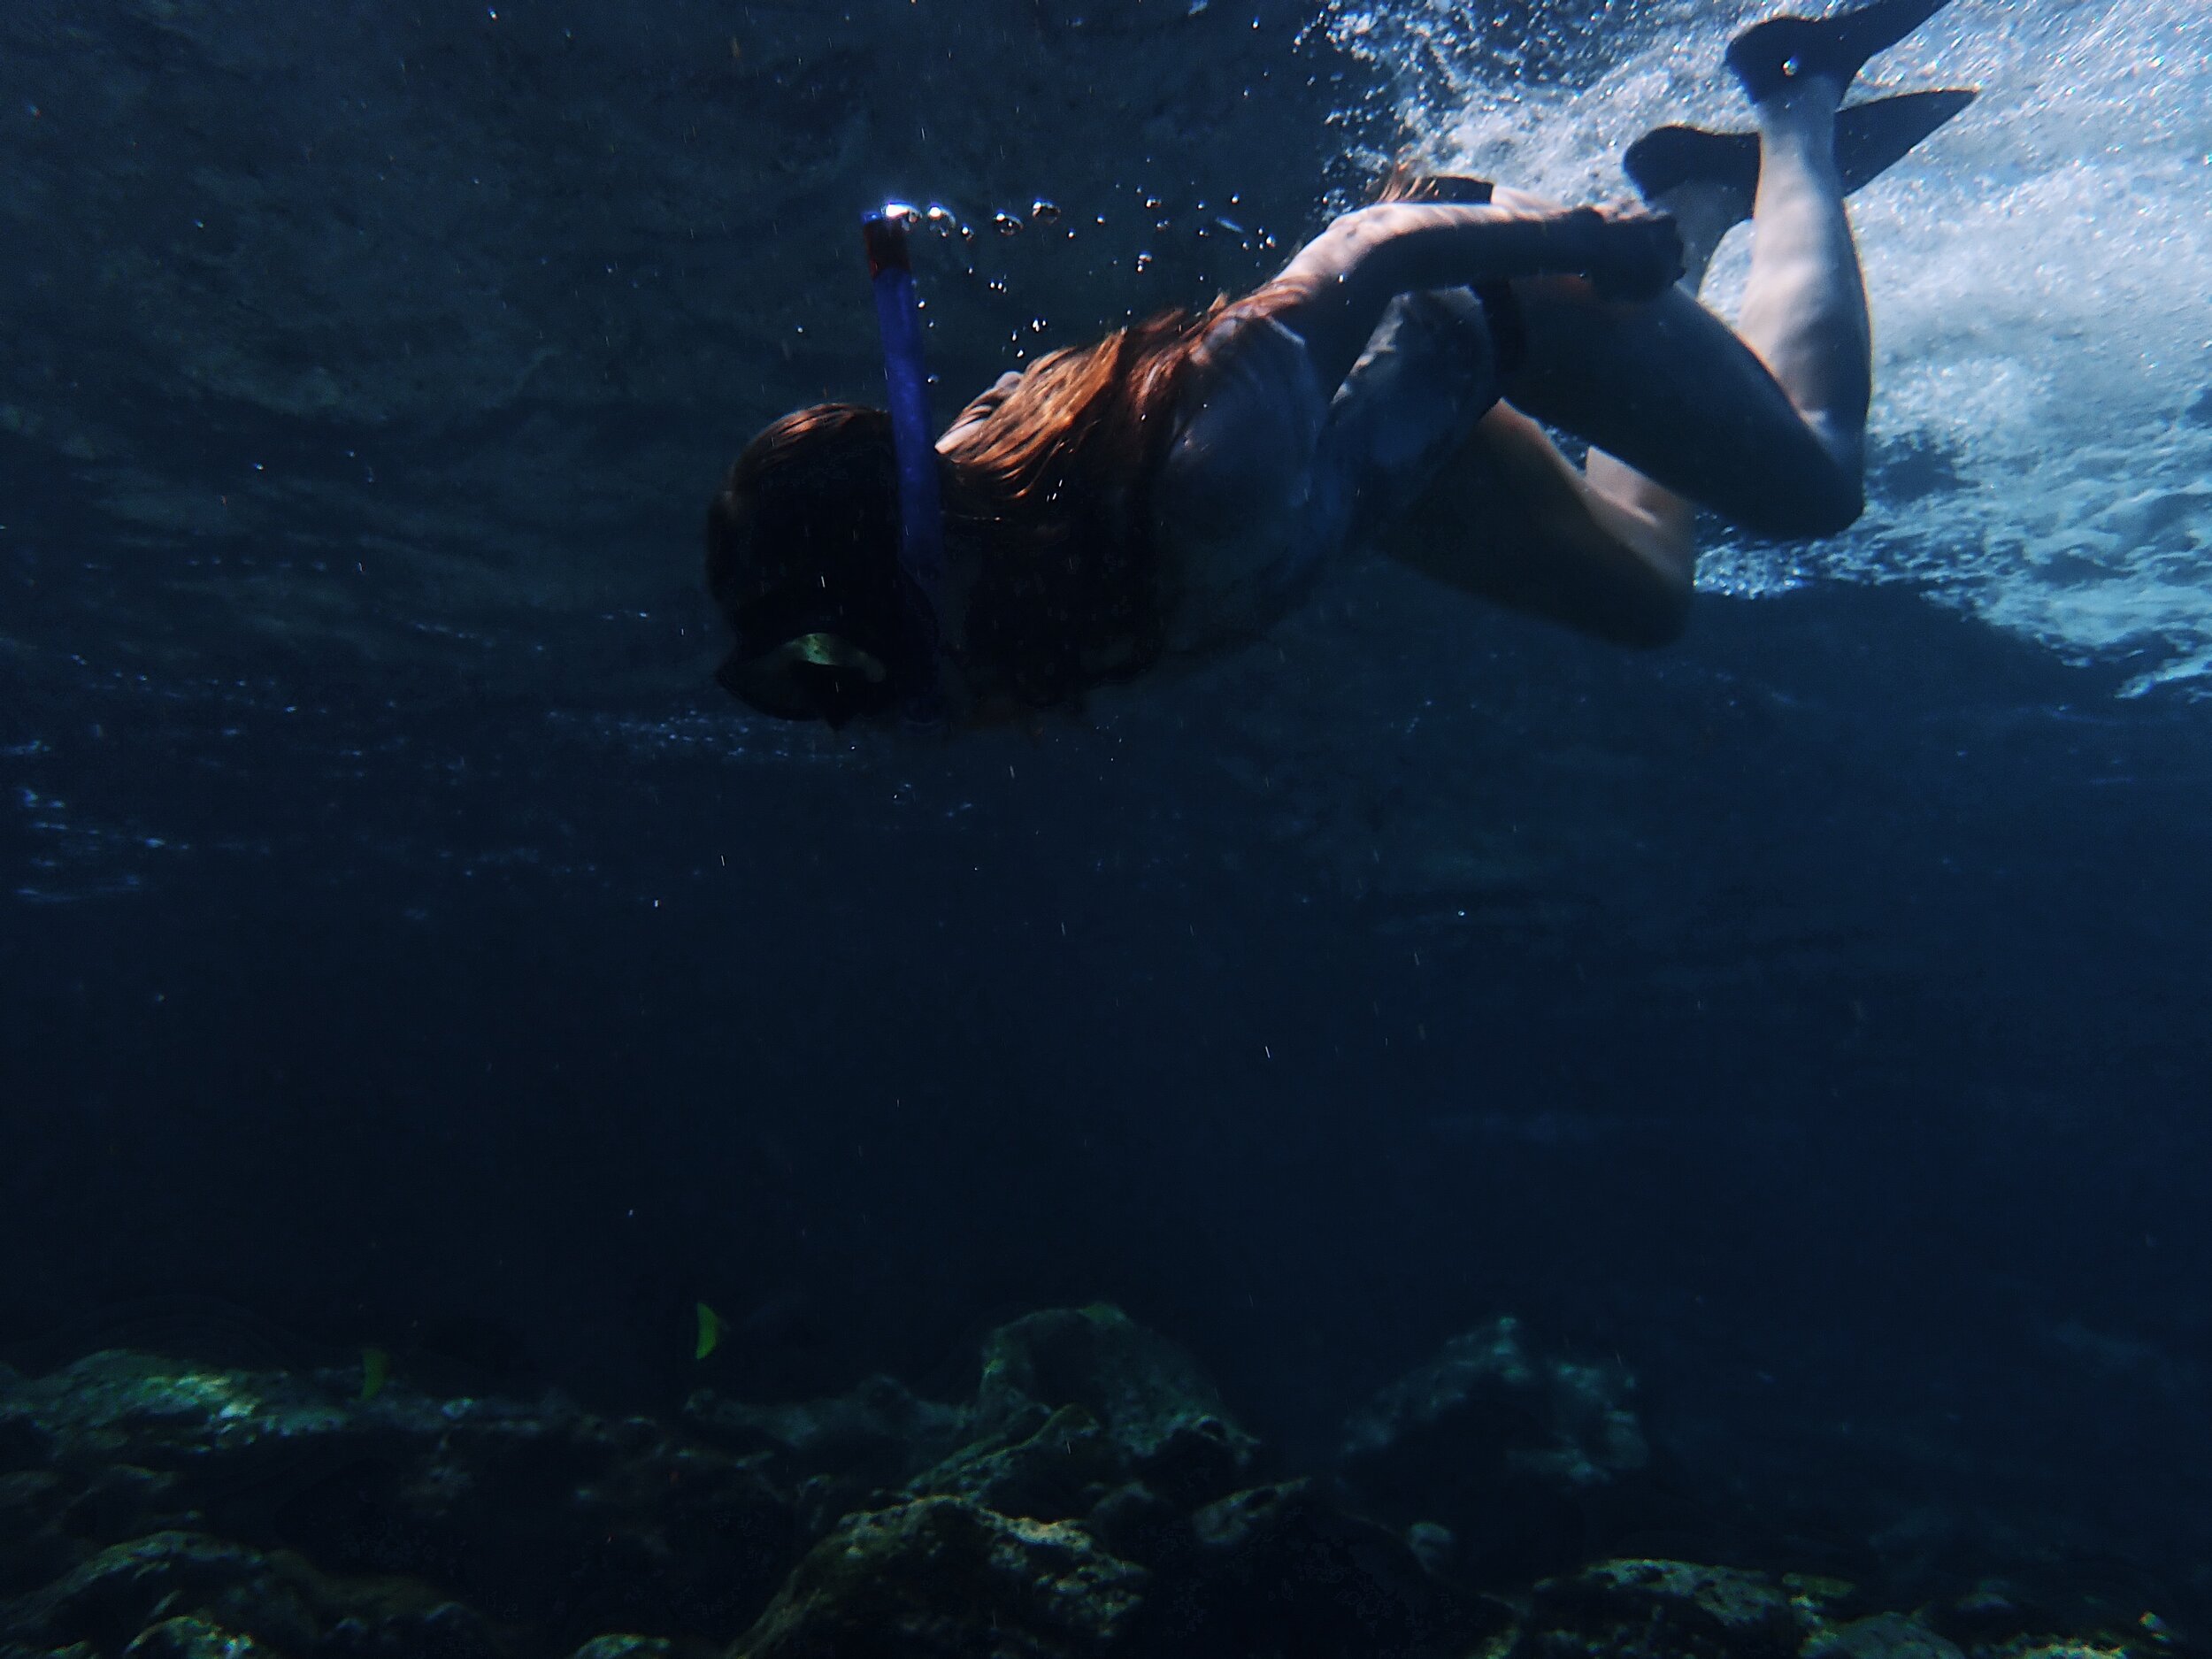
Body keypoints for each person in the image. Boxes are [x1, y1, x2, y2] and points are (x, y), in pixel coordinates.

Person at [704, 0, 1974, 728]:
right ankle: (1699, 195)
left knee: (1817, 484)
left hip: (1481, 291)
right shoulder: (986, 625)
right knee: (1651, 599)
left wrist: (1591, 244)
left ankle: (1792, 93)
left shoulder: (1209, 463)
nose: (846, 709)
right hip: (1375, 444)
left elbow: (1369, 245)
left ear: (902, 573)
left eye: (834, 659)